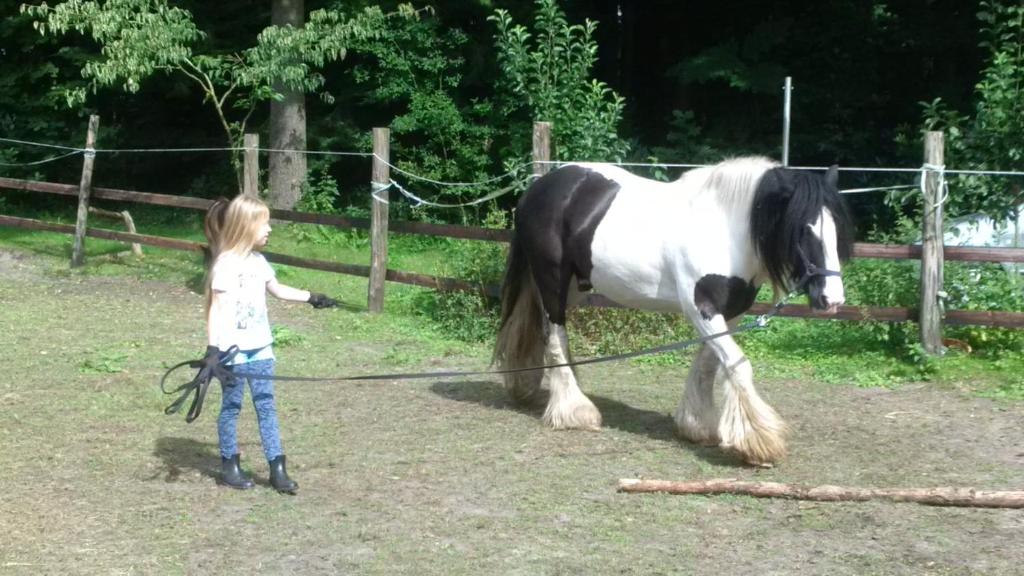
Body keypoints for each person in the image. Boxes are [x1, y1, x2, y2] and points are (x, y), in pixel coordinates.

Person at [201, 195, 339, 494]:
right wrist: (213, 351)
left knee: (266, 407)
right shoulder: (225, 264)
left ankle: (277, 469)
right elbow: (216, 308)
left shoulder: (259, 262)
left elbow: (277, 290)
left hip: (261, 348)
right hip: (233, 353)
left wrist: (311, 297)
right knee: (232, 406)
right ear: (245, 226)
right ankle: (229, 464)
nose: (269, 229)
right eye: (264, 224)